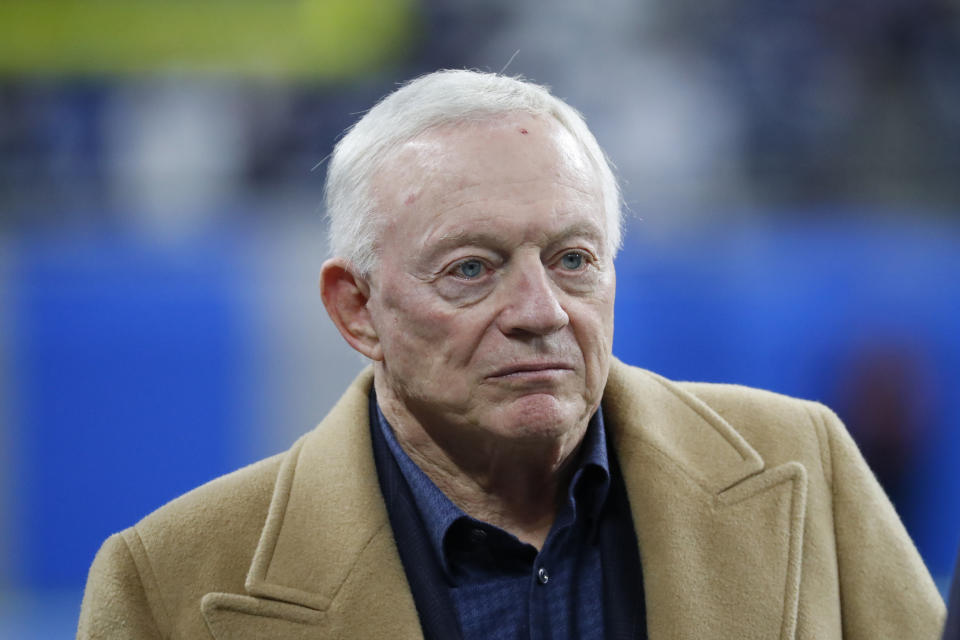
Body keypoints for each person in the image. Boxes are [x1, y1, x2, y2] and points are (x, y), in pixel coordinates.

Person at [77, 70, 946, 639]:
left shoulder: (804, 462)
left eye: (573, 260)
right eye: (472, 269)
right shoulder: (170, 583)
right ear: (357, 309)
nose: (540, 312)